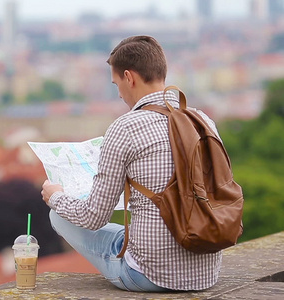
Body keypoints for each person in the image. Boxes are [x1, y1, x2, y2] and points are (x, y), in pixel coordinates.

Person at [41, 35, 222, 292]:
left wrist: (55, 196)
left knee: (58, 216)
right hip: (206, 272)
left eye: (116, 84)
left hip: (149, 274)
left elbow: (93, 217)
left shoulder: (126, 127)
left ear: (130, 77)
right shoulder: (202, 120)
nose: (119, 94)